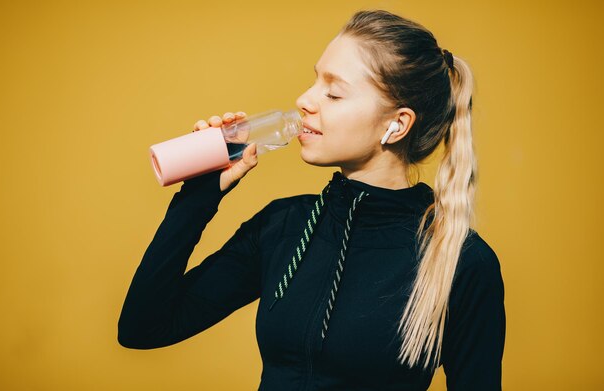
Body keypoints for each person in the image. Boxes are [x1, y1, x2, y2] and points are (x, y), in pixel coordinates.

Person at [118, 9, 506, 391]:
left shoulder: (462, 261)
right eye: (314, 81)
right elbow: (143, 328)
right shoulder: (284, 226)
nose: (305, 99)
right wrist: (199, 195)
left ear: (397, 125)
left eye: (334, 92)